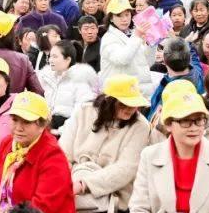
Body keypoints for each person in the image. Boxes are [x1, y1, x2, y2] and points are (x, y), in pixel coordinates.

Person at [129, 83, 209, 213]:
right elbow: (139, 207)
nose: (194, 128)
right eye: (185, 121)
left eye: (199, 120)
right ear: (168, 124)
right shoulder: (149, 156)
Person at [59, 74, 150, 213]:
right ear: (109, 101)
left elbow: (126, 168)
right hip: (71, 183)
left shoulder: (141, 125)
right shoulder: (84, 111)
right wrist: (65, 181)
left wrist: (84, 184)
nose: (130, 109)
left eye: (134, 104)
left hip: (115, 196)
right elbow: (63, 153)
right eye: (123, 104)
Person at [0, 91, 74, 212]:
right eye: (14, 119)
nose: (18, 127)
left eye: (26, 122)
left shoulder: (53, 156)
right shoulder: (7, 143)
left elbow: (43, 207)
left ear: (42, 125)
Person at [99, 0, 154, 96]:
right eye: (119, 16)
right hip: (119, 94)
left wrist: (151, 42)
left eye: (127, 14)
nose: (124, 19)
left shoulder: (133, 34)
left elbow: (148, 62)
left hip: (140, 93)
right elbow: (122, 59)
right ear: (111, 18)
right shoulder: (108, 38)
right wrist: (137, 36)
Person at [38, 40, 98, 130]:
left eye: (55, 57)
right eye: (50, 56)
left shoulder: (80, 80)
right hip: (46, 126)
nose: (50, 60)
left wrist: (61, 131)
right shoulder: (46, 78)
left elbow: (82, 114)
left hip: (66, 130)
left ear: (68, 60)